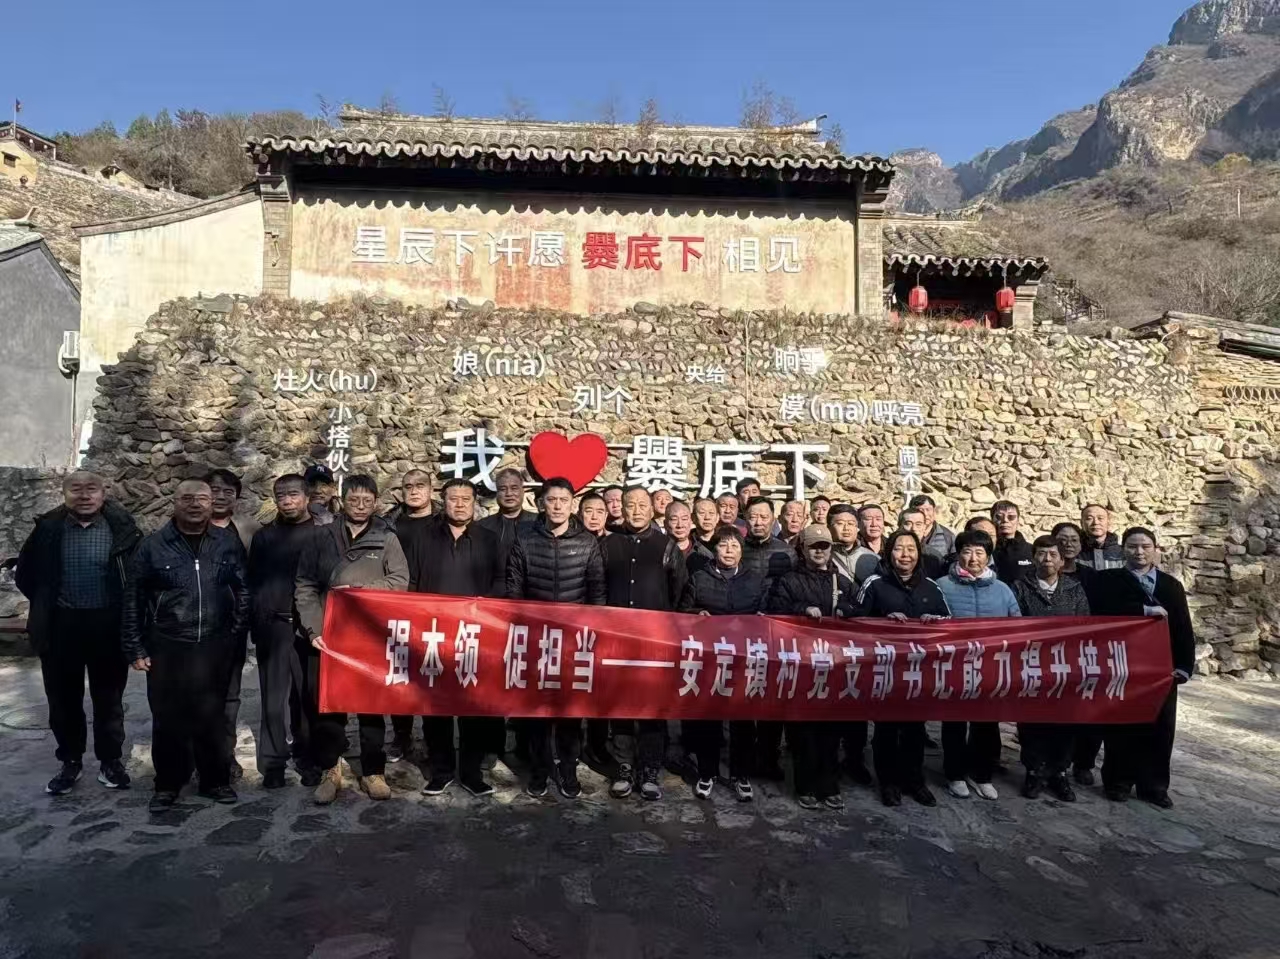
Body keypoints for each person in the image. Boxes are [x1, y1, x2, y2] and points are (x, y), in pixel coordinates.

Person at [122, 479, 249, 812]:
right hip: (167, 643)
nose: (195, 504)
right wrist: (135, 646)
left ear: (211, 503)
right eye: (187, 498)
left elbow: (243, 589)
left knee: (213, 715)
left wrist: (235, 632)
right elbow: (133, 598)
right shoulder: (152, 546)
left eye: (202, 499)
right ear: (174, 502)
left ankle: (215, 780)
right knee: (168, 718)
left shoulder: (227, 542)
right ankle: (168, 784)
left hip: (214, 643)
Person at [16, 471, 141, 796]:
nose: (84, 495)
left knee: (109, 700)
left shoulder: (123, 528)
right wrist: (46, 605)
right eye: (76, 489)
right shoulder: (47, 529)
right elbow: (25, 575)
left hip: (108, 625)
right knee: (62, 700)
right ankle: (70, 761)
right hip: (60, 627)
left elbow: (137, 577)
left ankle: (110, 761)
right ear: (65, 493)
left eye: (91, 489)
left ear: (103, 493)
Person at [295, 475, 409, 804]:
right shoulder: (321, 537)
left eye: (367, 501)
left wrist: (360, 592)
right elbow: (305, 585)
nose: (360, 506)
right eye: (354, 500)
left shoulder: (386, 538)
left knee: (371, 706)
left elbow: (400, 580)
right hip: (328, 635)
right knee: (329, 706)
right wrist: (314, 629)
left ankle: (373, 771)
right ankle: (330, 770)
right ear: (342, 501)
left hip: (370, 635)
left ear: (376, 503)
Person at [507, 477, 606, 798]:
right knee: (536, 713)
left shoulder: (588, 543)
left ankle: (568, 770)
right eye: (552, 500)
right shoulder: (524, 539)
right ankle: (539, 770)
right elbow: (514, 591)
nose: (558, 506)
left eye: (564, 500)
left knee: (570, 713)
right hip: (536, 641)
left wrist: (592, 635)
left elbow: (597, 593)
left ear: (573, 504)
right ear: (541, 503)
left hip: (574, 643)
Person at [408, 479, 505, 798]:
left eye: (466, 499)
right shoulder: (423, 538)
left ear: (475, 503)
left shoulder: (489, 539)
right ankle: (441, 771)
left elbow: (501, 582)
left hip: (474, 635)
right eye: (453, 499)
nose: (460, 504)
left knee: (472, 706)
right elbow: (412, 583)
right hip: (432, 633)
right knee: (434, 706)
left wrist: (485, 612)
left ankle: (471, 772)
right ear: (443, 501)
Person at [1094, 527, 1194, 809]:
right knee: (1120, 726)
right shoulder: (1109, 580)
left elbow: (1182, 627)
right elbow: (1102, 612)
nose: (1139, 552)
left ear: (1155, 550)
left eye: (1145, 546)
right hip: (1122, 665)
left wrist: (1184, 666)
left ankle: (1154, 786)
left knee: (1160, 728)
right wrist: (1141, 610)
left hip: (1162, 670)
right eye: (1133, 546)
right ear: (1123, 549)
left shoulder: (1170, 586)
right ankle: (1118, 782)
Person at [603, 486, 688, 800]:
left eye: (642, 505)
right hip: (617, 639)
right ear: (621, 509)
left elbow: (679, 590)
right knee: (620, 705)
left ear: (653, 509)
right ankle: (624, 766)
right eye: (630, 505)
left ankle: (651, 768)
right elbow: (598, 586)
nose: (636, 510)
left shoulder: (666, 546)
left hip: (656, 641)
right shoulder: (608, 544)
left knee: (654, 706)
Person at [856, 529, 950, 808]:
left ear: (919, 554)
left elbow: (950, 623)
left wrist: (936, 620)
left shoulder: (931, 587)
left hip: (919, 672)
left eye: (911, 549)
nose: (905, 554)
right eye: (899, 548)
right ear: (889, 553)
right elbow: (855, 622)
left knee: (915, 729)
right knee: (886, 729)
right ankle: (888, 782)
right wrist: (882, 621)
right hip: (884, 670)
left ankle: (915, 781)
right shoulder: (874, 584)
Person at [766, 525, 857, 810]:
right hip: (802, 665)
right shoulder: (789, 581)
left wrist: (848, 611)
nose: (819, 551)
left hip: (834, 665)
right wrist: (801, 609)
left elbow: (860, 609)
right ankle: (805, 786)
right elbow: (775, 611)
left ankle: (829, 785)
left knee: (831, 730)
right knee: (802, 731)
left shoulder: (842, 582)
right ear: (802, 550)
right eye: (813, 546)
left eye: (824, 546)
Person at [679, 525, 765, 802]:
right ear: (714, 549)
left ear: (742, 551)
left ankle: (741, 775)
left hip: (744, 659)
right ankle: (707, 773)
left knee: (743, 722)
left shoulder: (754, 579)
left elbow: (767, 613)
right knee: (709, 720)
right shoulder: (699, 577)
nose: (729, 551)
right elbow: (682, 611)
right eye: (723, 545)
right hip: (710, 659)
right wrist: (696, 614)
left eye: (734, 546)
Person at [935, 529, 1021, 800]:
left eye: (979, 552)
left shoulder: (1002, 589)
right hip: (954, 667)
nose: (973, 558)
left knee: (986, 724)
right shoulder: (941, 586)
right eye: (967, 551)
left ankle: (982, 774)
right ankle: (955, 774)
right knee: (954, 723)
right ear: (958, 554)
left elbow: (1017, 625)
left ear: (988, 557)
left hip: (990, 667)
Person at [247, 474, 317, 789]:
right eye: (281, 496)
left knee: (307, 699)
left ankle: (308, 757)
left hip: (308, 629)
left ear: (307, 497)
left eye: (293, 494)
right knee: (272, 699)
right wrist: (257, 622)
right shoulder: (265, 537)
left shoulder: (323, 533)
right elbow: (253, 582)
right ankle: (273, 763)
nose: (287, 501)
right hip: (273, 626)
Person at [1012, 536, 1091, 802]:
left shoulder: (1074, 589)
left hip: (1065, 665)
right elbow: (1012, 623)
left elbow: (1085, 625)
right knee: (1031, 721)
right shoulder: (1020, 587)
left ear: (1062, 560)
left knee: (1064, 720)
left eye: (1053, 555)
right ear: (1033, 558)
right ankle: (1033, 771)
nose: (1047, 560)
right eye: (1042, 554)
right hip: (1031, 664)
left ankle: (1059, 772)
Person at [206, 468, 261, 783]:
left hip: (233, 627)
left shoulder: (248, 529)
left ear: (237, 498)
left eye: (228, 491)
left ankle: (224, 755)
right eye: (214, 490)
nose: (220, 496)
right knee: (196, 693)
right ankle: (197, 755)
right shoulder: (186, 527)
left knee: (229, 696)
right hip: (193, 627)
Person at [740, 496, 795, 780]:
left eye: (764, 516)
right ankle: (745, 758)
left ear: (773, 519)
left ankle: (769, 757)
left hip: (776, 634)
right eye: (753, 516)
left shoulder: (787, 553)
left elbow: (794, 588)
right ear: (745, 519)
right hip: (743, 632)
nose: (758, 522)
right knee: (745, 696)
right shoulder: (737, 548)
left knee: (773, 698)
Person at [385, 468, 437, 761]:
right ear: (401, 492)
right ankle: (401, 736)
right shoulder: (389, 525)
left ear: (431, 489)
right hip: (398, 609)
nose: (414, 490)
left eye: (420, 485)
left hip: (434, 610)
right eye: (408, 486)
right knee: (400, 677)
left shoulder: (444, 522)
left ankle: (432, 738)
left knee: (431, 676)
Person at [1053, 520, 1103, 785]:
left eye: (1073, 539)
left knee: (1090, 708)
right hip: (1056, 652)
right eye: (1062, 539)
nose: (1068, 544)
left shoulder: (1092, 577)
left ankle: (1084, 763)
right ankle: (1056, 762)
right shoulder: (1045, 574)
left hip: (1088, 649)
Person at [477, 467, 536, 558]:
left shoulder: (539, 523)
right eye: (503, 489)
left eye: (514, 488)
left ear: (523, 491)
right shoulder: (482, 527)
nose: (509, 494)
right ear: (497, 493)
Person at [991, 500, 1033, 585]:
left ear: (1018, 520)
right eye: (999, 517)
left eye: (1011, 517)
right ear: (992, 520)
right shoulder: (987, 549)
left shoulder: (1032, 550)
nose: (1005, 520)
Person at [899, 507, 945, 578]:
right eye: (908, 524)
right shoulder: (890, 552)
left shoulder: (934, 556)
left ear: (924, 528)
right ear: (900, 526)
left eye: (918, 524)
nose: (913, 529)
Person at [909, 494, 954, 560]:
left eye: (928, 509)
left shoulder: (948, 536)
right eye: (920, 510)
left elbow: (954, 561)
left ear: (934, 511)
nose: (925, 514)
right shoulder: (904, 534)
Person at [1080, 504, 1124, 571]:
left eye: (1100, 518)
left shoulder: (1122, 553)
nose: (1095, 522)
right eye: (1089, 518)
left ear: (1108, 522)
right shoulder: (1074, 553)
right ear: (1081, 523)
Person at [850, 504, 886, 585]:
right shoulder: (851, 546)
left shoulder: (891, 546)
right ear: (858, 523)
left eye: (878, 519)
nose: (874, 524)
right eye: (868, 519)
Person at [827, 504, 861, 583]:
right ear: (829, 527)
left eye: (851, 524)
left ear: (857, 528)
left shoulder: (871, 558)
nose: (846, 528)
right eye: (840, 523)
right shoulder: (821, 556)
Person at [691, 497, 720, 563]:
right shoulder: (687, 543)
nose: (707, 517)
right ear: (693, 518)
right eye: (702, 513)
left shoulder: (725, 540)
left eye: (711, 513)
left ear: (717, 517)